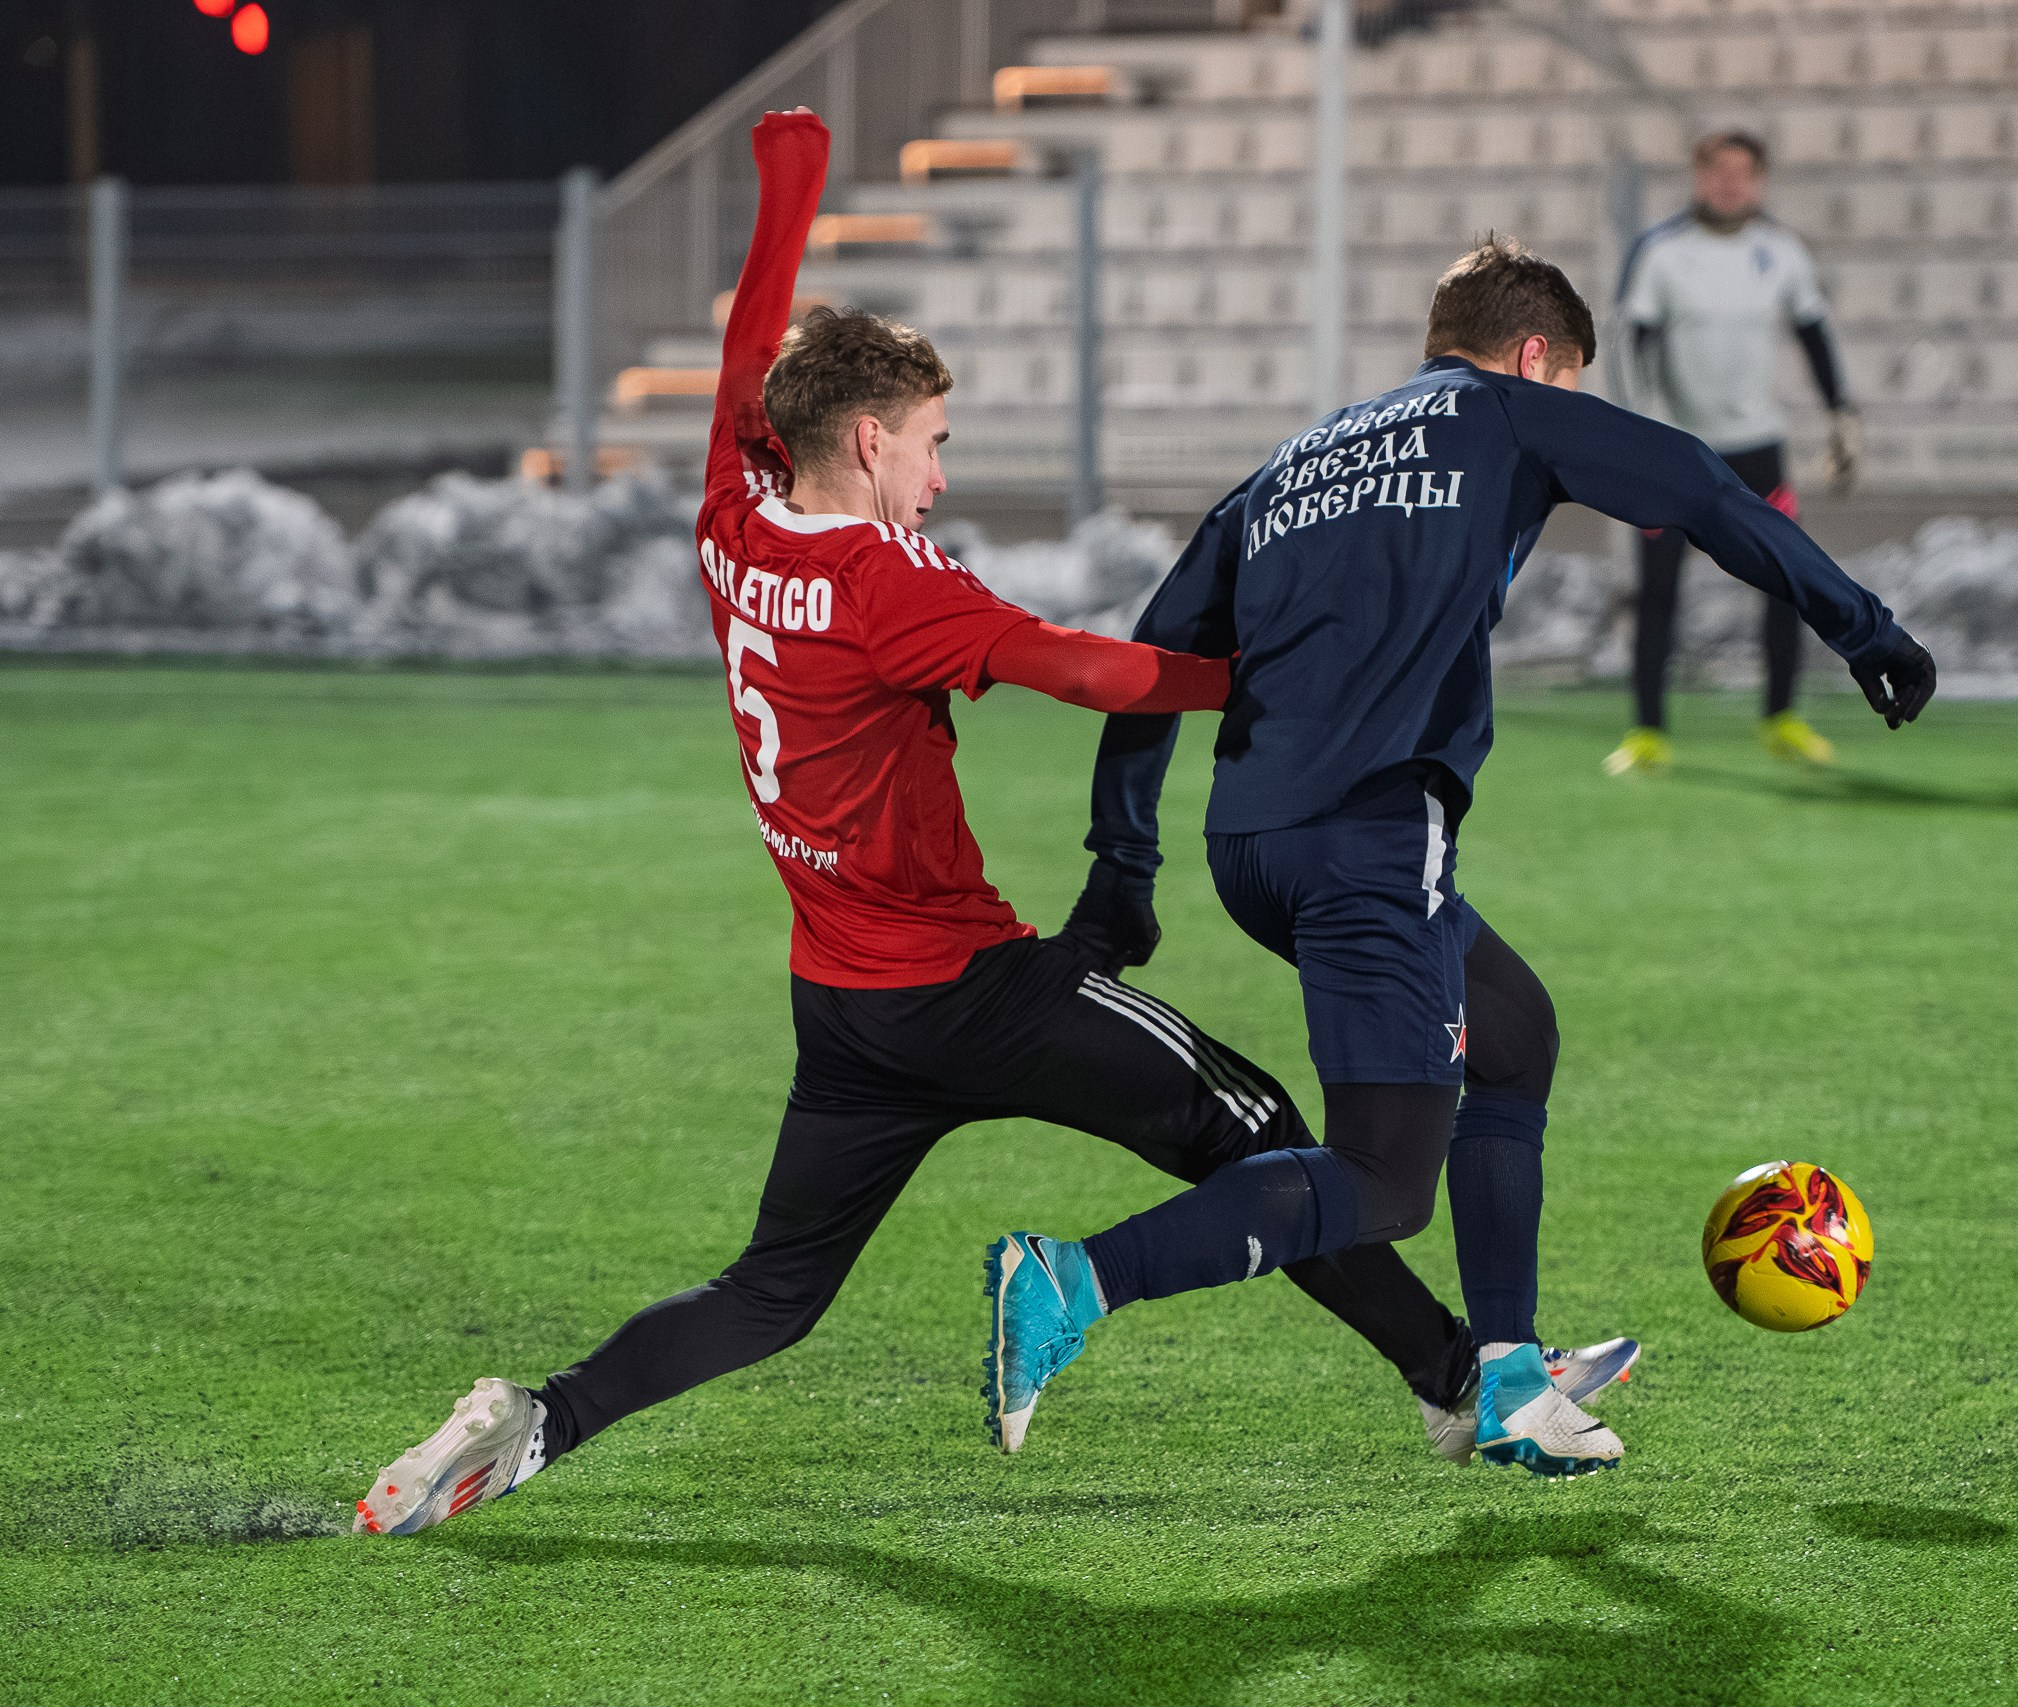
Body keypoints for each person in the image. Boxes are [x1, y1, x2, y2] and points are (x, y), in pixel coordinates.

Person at [349, 111, 1568, 1537]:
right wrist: (1266, 672)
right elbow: (1091, 668)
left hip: (846, 1010)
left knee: (772, 1290)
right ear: (866, 441)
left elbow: (750, 350)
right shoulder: (889, 587)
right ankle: (1453, 1378)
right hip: (975, 988)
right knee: (1263, 1130)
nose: (939, 473)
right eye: (932, 443)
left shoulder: (732, 519)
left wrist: (789, 186)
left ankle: (536, 1420)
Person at [998, 237, 1935, 1479]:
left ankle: (1503, 1376)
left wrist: (1122, 864)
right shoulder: (1506, 414)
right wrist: (1861, 626)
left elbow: (1156, 657)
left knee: (1513, 1038)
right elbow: (1704, 490)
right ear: (1536, 356)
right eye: (1571, 380)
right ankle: (1072, 1284)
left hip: (1255, 843)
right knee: (1384, 1178)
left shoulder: (1296, 459)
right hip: (1373, 833)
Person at [1607, 129, 1866, 775]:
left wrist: (1842, 412)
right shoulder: (1661, 253)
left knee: (1785, 582)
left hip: (1758, 450)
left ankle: (1781, 717)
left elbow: (1812, 333)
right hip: (1675, 450)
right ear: (1698, 177)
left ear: (1759, 181)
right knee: (1659, 588)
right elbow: (1630, 342)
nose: (1729, 183)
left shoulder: (1781, 253)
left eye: (1742, 172)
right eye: (1717, 170)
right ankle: (1647, 732)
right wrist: (1637, 428)